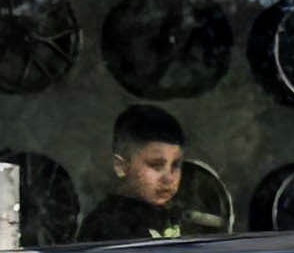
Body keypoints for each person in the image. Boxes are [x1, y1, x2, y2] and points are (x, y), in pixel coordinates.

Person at [78, 103, 221, 243]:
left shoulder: (176, 216)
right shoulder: (105, 230)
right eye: (156, 165)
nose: (168, 178)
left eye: (175, 165)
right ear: (121, 166)